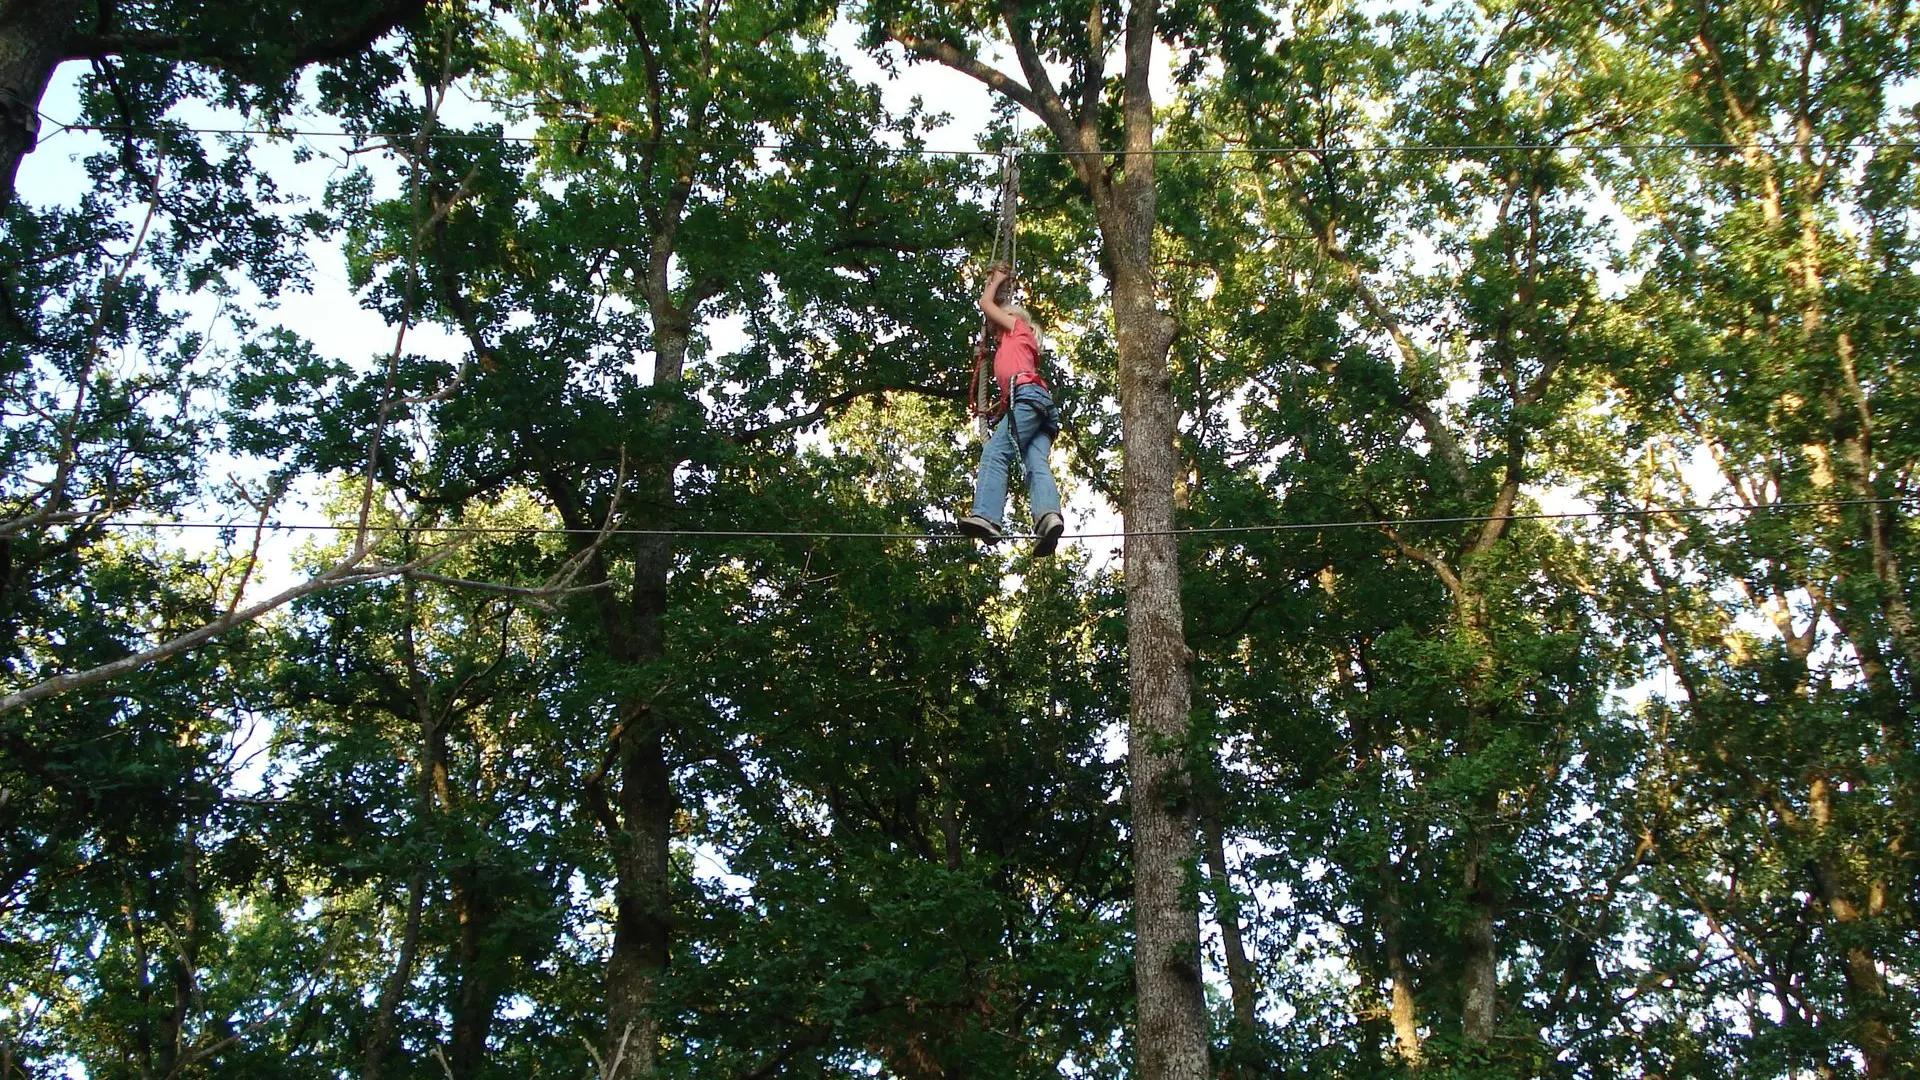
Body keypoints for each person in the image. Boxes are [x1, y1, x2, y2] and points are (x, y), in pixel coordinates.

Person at [958, 263, 1066, 557]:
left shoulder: (1017, 328)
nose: (994, 334)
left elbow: (986, 304)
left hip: (1028, 398)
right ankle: (1049, 517)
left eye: (997, 328)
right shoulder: (1017, 344)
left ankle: (987, 516)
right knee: (1036, 463)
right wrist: (1001, 408)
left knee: (995, 453)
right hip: (1037, 403)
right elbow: (1017, 381)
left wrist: (996, 280)